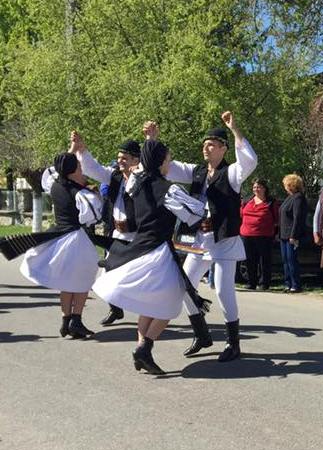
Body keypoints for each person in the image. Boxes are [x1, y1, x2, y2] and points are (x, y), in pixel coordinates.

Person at [146, 112, 257, 362]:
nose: (205, 148)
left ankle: (233, 343)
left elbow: (249, 162)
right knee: (184, 285)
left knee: (223, 291)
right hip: (199, 239)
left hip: (224, 241)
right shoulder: (195, 172)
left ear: (222, 148)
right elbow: (165, 166)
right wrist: (153, 140)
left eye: (211, 145)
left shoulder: (232, 173)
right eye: (204, 145)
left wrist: (235, 129)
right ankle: (202, 334)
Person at [92, 140, 207, 374]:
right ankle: (145, 348)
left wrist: (149, 143)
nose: (170, 163)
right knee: (170, 303)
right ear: (161, 161)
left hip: (139, 246)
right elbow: (195, 213)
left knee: (150, 301)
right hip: (158, 252)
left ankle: (141, 350)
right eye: (168, 159)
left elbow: (140, 169)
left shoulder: (137, 183)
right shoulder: (168, 189)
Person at [0, 139, 104, 339]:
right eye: (79, 166)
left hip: (58, 237)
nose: (82, 169)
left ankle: (66, 321)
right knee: (83, 280)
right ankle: (76, 320)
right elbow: (92, 217)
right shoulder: (81, 194)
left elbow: (58, 169)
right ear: (73, 171)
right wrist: (96, 196)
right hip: (75, 239)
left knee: (67, 282)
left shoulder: (55, 184)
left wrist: (72, 149)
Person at [74, 135, 142, 326]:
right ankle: (116, 309)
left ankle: (152, 315)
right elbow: (92, 168)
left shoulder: (143, 179)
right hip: (117, 234)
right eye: (119, 157)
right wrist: (81, 149)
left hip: (138, 236)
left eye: (124, 158)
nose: (120, 161)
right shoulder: (115, 177)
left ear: (136, 160)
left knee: (141, 276)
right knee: (106, 275)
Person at [240, 178, 279, 290]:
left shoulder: (271, 202)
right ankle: (251, 282)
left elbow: (276, 219)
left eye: (259, 187)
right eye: (254, 187)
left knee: (264, 260)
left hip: (264, 235)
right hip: (246, 235)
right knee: (249, 260)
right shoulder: (247, 200)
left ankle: (264, 283)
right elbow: (241, 215)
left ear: (265, 188)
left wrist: (274, 233)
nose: (256, 189)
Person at [279, 174, 308, 293]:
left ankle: (296, 284)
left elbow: (298, 217)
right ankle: (288, 283)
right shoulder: (289, 198)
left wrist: (294, 235)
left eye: (286, 184)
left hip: (292, 235)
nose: (284, 186)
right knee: (285, 260)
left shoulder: (298, 198)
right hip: (283, 234)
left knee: (292, 260)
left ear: (291, 185)